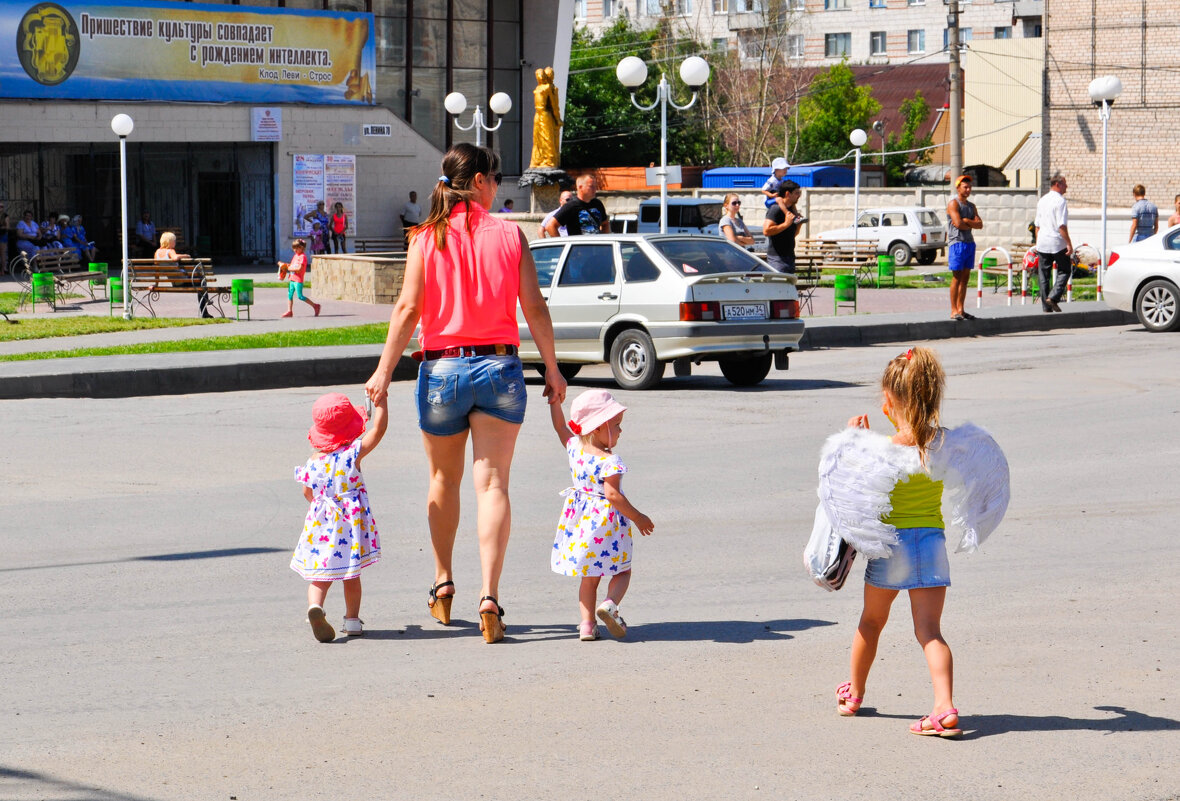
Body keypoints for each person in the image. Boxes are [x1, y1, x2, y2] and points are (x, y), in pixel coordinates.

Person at [364, 143, 566, 643]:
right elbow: (535, 310)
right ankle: (490, 596)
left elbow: (408, 310)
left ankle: (443, 582)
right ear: (478, 181)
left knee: (441, 480)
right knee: (493, 485)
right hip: (500, 366)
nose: (500, 187)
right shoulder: (510, 235)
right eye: (496, 178)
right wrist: (555, 371)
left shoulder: (424, 237)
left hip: (443, 370)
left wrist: (384, 372)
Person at [814, 346, 1009, 737]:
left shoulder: (882, 450)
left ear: (888, 402)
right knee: (930, 632)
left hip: (892, 549)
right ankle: (944, 706)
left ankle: (854, 693)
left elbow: (849, 475)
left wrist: (854, 437)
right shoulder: (945, 445)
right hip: (932, 547)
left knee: (871, 622)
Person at [548, 390, 654, 641]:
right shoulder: (610, 461)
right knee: (622, 571)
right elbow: (613, 496)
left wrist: (554, 402)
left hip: (583, 526)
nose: (620, 431)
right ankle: (610, 605)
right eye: (616, 426)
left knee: (589, 578)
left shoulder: (574, 447)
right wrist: (639, 517)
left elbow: (559, 426)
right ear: (598, 428)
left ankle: (586, 626)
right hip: (609, 528)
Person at [290, 392, 388, 642]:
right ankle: (352, 621)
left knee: (320, 574)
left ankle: (316, 606)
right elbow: (378, 431)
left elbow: (307, 492)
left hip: (321, 522)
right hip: (348, 525)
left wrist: (320, 507)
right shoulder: (352, 453)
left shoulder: (313, 461)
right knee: (350, 575)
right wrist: (382, 403)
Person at [946, 175, 982, 321]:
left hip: (969, 243)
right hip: (957, 243)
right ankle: (954, 310)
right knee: (957, 277)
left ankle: (961, 308)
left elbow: (980, 224)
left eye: (969, 187)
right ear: (958, 187)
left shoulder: (971, 206)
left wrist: (967, 220)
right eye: (965, 187)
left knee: (965, 278)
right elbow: (957, 224)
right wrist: (969, 222)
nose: (968, 190)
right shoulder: (953, 204)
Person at [1034, 174, 1072, 313]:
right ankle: (1053, 297)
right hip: (1057, 242)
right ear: (1058, 184)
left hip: (1043, 241)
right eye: (1065, 184)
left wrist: (1038, 242)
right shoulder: (1060, 201)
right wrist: (1069, 243)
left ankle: (1046, 307)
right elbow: (1061, 225)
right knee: (1065, 269)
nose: (1066, 187)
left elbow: (1037, 225)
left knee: (1044, 275)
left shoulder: (1042, 200)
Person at [156, 231, 213, 318]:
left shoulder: (157, 253)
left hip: (175, 283)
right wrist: (185, 255)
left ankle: (206, 300)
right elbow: (175, 258)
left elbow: (157, 270)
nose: (175, 242)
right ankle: (205, 311)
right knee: (201, 282)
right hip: (183, 281)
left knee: (199, 280)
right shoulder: (170, 251)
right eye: (174, 241)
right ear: (169, 242)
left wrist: (155, 285)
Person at [762, 180, 804, 274]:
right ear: (787, 194)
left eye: (799, 193)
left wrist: (799, 225)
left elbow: (792, 235)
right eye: (797, 193)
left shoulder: (792, 210)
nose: (799, 196)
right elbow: (766, 231)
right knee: (778, 286)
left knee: (788, 288)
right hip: (777, 259)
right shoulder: (775, 209)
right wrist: (786, 224)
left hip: (790, 257)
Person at [278, 238, 321, 318]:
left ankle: (315, 306)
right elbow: (291, 265)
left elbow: (299, 269)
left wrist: (288, 268)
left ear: (302, 248)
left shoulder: (302, 257)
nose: (294, 250)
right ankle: (289, 311)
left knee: (300, 296)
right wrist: (284, 265)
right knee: (289, 295)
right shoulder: (295, 256)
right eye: (293, 248)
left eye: (296, 248)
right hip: (292, 278)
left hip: (298, 280)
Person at [531, 66, 563, 169]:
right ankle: (537, 160)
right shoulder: (538, 88)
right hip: (537, 114)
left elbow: (554, 105)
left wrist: (557, 119)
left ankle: (550, 160)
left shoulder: (548, 88)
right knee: (537, 139)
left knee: (547, 138)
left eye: (540, 75)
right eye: (538, 75)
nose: (539, 77)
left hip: (545, 115)